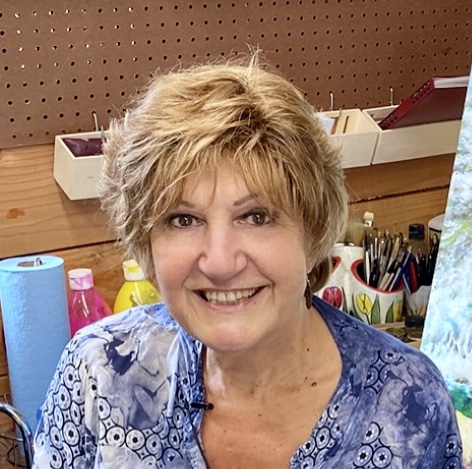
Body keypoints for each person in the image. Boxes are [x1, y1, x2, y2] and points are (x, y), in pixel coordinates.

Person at [33, 55, 462, 468]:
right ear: (145, 247)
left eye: (256, 217)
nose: (220, 263)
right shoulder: (100, 372)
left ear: (313, 234)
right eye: (183, 219)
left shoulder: (406, 402)